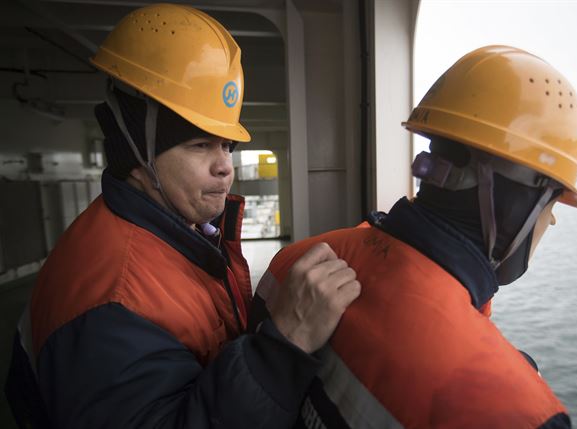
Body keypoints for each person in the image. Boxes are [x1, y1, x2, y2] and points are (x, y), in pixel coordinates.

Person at [4, 4, 361, 428]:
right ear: (136, 148)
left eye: (227, 145)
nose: (225, 166)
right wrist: (283, 346)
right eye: (199, 144)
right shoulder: (113, 305)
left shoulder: (174, 235)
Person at [250, 45, 577, 428]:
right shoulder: (520, 414)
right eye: (551, 204)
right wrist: (507, 376)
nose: (550, 222)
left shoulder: (297, 260)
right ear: (517, 201)